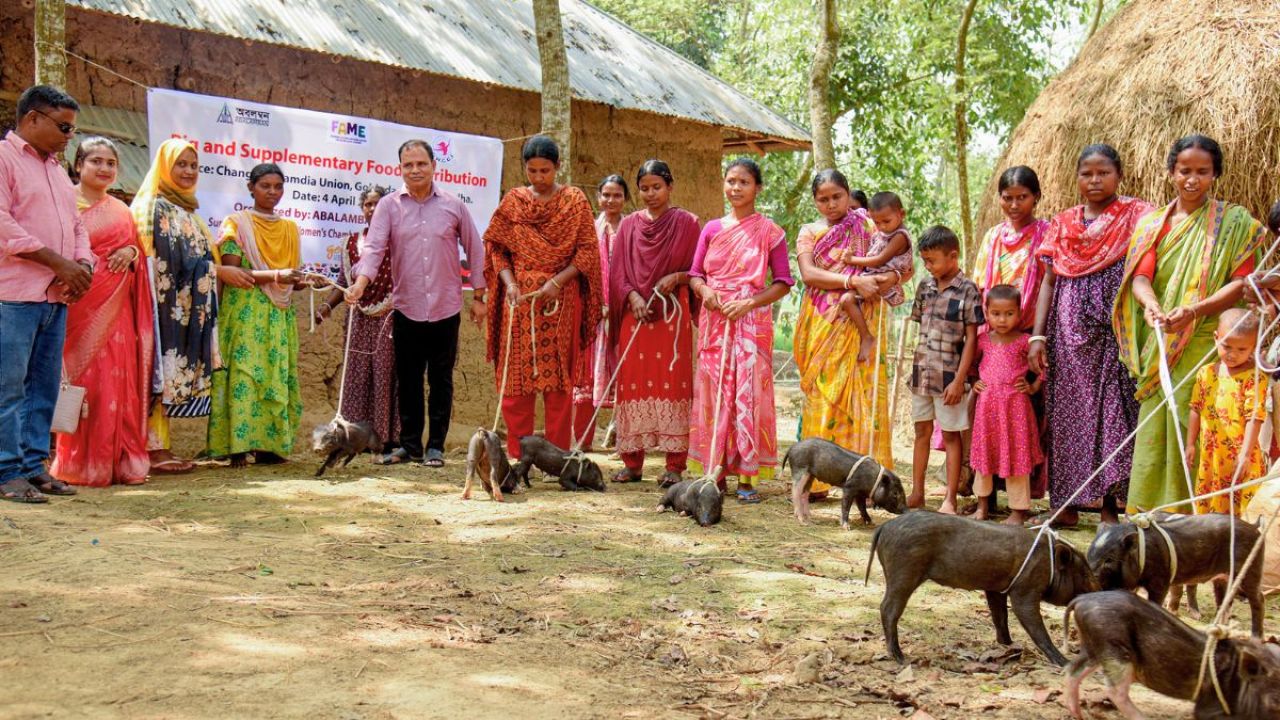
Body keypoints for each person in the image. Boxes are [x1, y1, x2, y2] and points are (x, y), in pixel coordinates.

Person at [1113, 134, 1267, 513]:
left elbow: (1241, 280)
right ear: (1171, 173)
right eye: (1185, 171)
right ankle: (1151, 516)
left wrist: (1195, 312)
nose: (1192, 179)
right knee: (1156, 424)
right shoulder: (1152, 225)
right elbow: (1140, 277)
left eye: (1203, 172)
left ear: (1215, 175)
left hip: (1208, 341)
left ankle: (1200, 518)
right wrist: (1151, 306)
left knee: (1200, 425)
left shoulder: (1235, 224)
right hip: (1162, 341)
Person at [1029, 144, 1151, 526]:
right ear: (1077, 178)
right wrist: (1038, 335)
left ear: (1119, 176)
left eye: (1103, 173)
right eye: (1087, 173)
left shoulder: (1138, 215)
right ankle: (1063, 506)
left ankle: (1109, 506)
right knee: (1067, 415)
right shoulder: (1062, 223)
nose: (1095, 180)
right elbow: (1049, 281)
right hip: (1068, 336)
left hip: (1116, 330)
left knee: (1114, 412)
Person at [348, 141, 486, 467]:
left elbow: (475, 249)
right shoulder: (388, 206)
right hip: (407, 306)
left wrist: (479, 296)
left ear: (434, 165)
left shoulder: (453, 205)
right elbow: (375, 250)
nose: (415, 170)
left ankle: (435, 446)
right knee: (408, 379)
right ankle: (410, 446)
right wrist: (360, 284)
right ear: (399, 169)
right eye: (408, 165)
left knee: (441, 380)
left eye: (421, 164)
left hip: (445, 307)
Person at [132, 138, 253, 474]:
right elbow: (158, 263)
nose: (187, 171)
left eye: (193, 165)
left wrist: (212, 269)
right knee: (152, 374)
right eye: (180, 164)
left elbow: (197, 259)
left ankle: (157, 446)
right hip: (156, 309)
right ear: (164, 167)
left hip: (182, 310)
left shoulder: (188, 211)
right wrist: (217, 271)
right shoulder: (151, 209)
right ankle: (149, 448)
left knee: (163, 378)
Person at [483, 135, 602, 457]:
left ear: (558, 167)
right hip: (519, 302)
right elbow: (497, 250)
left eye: (545, 171)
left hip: (559, 303)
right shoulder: (513, 202)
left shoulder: (574, 201)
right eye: (532, 171)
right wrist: (509, 284)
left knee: (558, 383)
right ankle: (517, 454)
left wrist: (558, 283)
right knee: (516, 382)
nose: (538, 177)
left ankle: (556, 455)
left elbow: (588, 252)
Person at [0, 85, 91, 503]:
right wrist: (59, 263)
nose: (69, 136)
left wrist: (82, 265)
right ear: (32, 119)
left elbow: (76, 225)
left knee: (43, 388)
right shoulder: (4, 159)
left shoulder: (56, 169)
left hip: (55, 298)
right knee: (9, 387)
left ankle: (34, 467)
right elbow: (3, 224)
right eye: (63, 126)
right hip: (14, 295)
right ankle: (5, 471)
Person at [793, 169, 907, 499]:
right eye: (823, 199)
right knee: (823, 394)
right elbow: (808, 274)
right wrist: (852, 281)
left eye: (836, 197)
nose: (830, 204)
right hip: (823, 321)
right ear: (814, 201)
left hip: (863, 319)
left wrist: (888, 280)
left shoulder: (868, 224)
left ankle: (867, 479)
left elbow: (900, 262)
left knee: (864, 398)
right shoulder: (809, 232)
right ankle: (817, 476)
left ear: (848, 194)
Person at [687, 158, 793, 503]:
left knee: (747, 395)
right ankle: (714, 472)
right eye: (730, 181)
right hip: (716, 320)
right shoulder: (712, 229)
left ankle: (747, 477)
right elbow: (694, 276)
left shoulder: (770, 232)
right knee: (714, 393)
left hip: (750, 320)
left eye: (743, 182)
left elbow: (783, 283)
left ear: (757, 188)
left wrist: (749, 303)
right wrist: (707, 293)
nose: (735, 188)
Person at [50, 137, 154, 487]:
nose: (104, 169)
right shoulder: (63, 203)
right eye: (96, 161)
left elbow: (138, 253)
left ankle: (120, 461)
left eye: (111, 163)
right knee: (85, 383)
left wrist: (132, 254)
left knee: (117, 382)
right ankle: (80, 464)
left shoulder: (122, 211)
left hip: (116, 311)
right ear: (78, 164)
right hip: (78, 307)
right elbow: (58, 249)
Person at [207, 163, 305, 468]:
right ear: (251, 187)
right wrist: (278, 274)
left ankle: (269, 447)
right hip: (245, 310)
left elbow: (292, 276)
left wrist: (301, 280)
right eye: (265, 186)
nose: (272, 192)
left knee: (275, 375)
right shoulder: (236, 223)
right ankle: (238, 447)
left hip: (278, 313)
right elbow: (233, 270)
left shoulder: (290, 228)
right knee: (245, 375)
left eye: (278, 186)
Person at [608, 160, 699, 486]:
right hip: (635, 318)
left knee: (673, 385)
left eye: (656, 187)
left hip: (671, 319)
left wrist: (677, 277)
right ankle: (633, 463)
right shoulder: (629, 226)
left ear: (670, 186)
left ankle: (674, 466)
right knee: (633, 383)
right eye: (644, 188)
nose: (650, 194)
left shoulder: (688, 224)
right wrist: (632, 297)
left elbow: (701, 271)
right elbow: (618, 273)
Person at [315, 186, 398, 451]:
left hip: (389, 318)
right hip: (358, 320)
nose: (372, 209)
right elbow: (343, 282)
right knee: (356, 376)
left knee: (385, 375)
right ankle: (353, 438)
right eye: (368, 204)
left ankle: (385, 438)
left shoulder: (398, 242)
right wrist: (327, 306)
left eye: (378, 204)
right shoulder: (351, 242)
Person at [908, 225, 982, 514]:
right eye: (924, 261)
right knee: (921, 431)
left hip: (950, 378)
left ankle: (950, 498)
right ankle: (916, 493)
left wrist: (960, 380)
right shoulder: (924, 286)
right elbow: (921, 330)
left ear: (953, 256)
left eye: (933, 260)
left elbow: (972, 339)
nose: (928, 266)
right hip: (921, 374)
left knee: (952, 436)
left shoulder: (967, 290)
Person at [969, 285, 1042, 525]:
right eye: (996, 314)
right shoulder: (982, 341)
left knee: (1017, 457)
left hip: (1015, 409)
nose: (1002, 319)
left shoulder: (1025, 342)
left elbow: (1044, 367)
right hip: (987, 408)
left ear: (1020, 314)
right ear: (987, 313)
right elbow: (970, 365)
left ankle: (1018, 511)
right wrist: (975, 381)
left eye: (1009, 313)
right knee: (984, 457)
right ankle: (982, 506)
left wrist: (1033, 387)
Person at [1186, 308, 1268, 515]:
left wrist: (1246, 455)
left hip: (1239, 457)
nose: (1232, 354)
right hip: (1211, 457)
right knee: (1210, 508)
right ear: (1216, 338)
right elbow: (1195, 408)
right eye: (1227, 346)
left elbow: (1255, 417)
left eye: (1242, 349)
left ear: (1254, 347)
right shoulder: (1205, 373)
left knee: (1240, 511)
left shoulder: (1254, 378)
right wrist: (1190, 444)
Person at [574, 174, 628, 450]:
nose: (611, 200)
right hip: (593, 314)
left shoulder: (632, 231)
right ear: (598, 198)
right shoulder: (588, 231)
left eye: (617, 195)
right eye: (606, 195)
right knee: (586, 377)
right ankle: (583, 441)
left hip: (625, 312)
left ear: (625, 199)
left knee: (626, 374)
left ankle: (624, 438)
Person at [838, 191, 912, 362]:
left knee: (846, 301)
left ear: (901, 214)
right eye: (877, 222)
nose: (882, 226)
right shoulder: (883, 232)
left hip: (883, 279)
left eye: (886, 221)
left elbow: (879, 260)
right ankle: (866, 336)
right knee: (847, 301)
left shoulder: (900, 236)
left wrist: (851, 259)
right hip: (876, 276)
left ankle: (866, 337)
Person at [971, 166, 1048, 329]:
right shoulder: (993, 236)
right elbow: (979, 287)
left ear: (1036, 196)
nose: (1014, 205)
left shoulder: (1047, 235)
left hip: (1033, 328)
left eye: (1022, 197)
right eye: (1007, 198)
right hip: (993, 328)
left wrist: (1039, 334)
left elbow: (1052, 284)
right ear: (1000, 198)